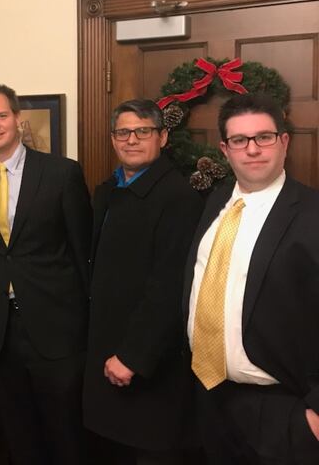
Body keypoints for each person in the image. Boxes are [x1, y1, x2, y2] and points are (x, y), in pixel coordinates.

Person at [0, 83, 93, 465]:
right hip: (1, 335)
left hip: (57, 330)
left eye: (1, 115)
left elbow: (83, 255)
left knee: (66, 436)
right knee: (19, 437)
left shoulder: (61, 173)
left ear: (17, 118)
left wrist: (88, 329)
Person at [185, 93, 319, 465]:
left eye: (264, 137)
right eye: (240, 140)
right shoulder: (214, 204)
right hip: (210, 397)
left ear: (284, 141)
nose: (253, 149)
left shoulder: (312, 213)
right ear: (225, 150)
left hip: (283, 409)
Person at [83, 99, 203, 465]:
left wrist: (132, 356)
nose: (131, 139)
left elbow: (169, 286)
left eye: (142, 131)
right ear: (113, 139)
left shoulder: (179, 197)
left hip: (145, 363)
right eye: (123, 132)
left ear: (162, 137)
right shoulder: (107, 191)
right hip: (105, 352)